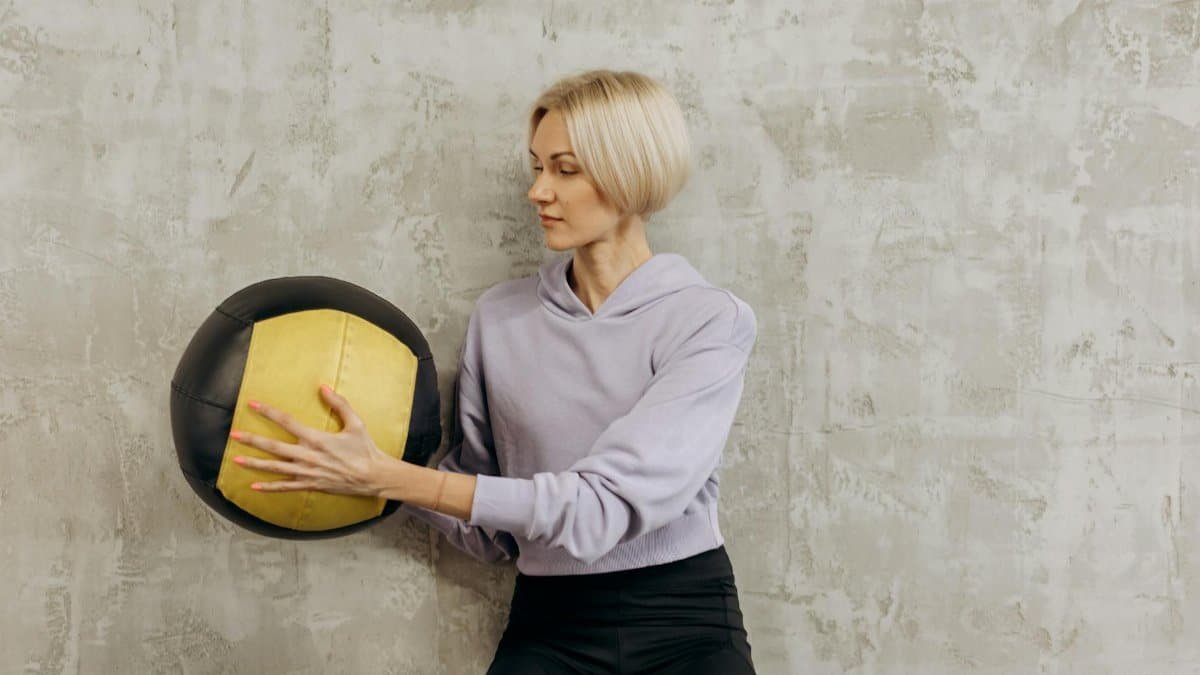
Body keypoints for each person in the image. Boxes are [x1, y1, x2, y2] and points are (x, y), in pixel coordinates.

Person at [397, 68, 759, 674]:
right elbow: (491, 532)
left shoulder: (708, 321)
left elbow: (599, 507)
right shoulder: (500, 318)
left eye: (565, 169)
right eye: (537, 167)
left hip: (684, 622)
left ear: (629, 172)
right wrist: (362, 468)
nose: (539, 191)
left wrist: (394, 481)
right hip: (549, 624)